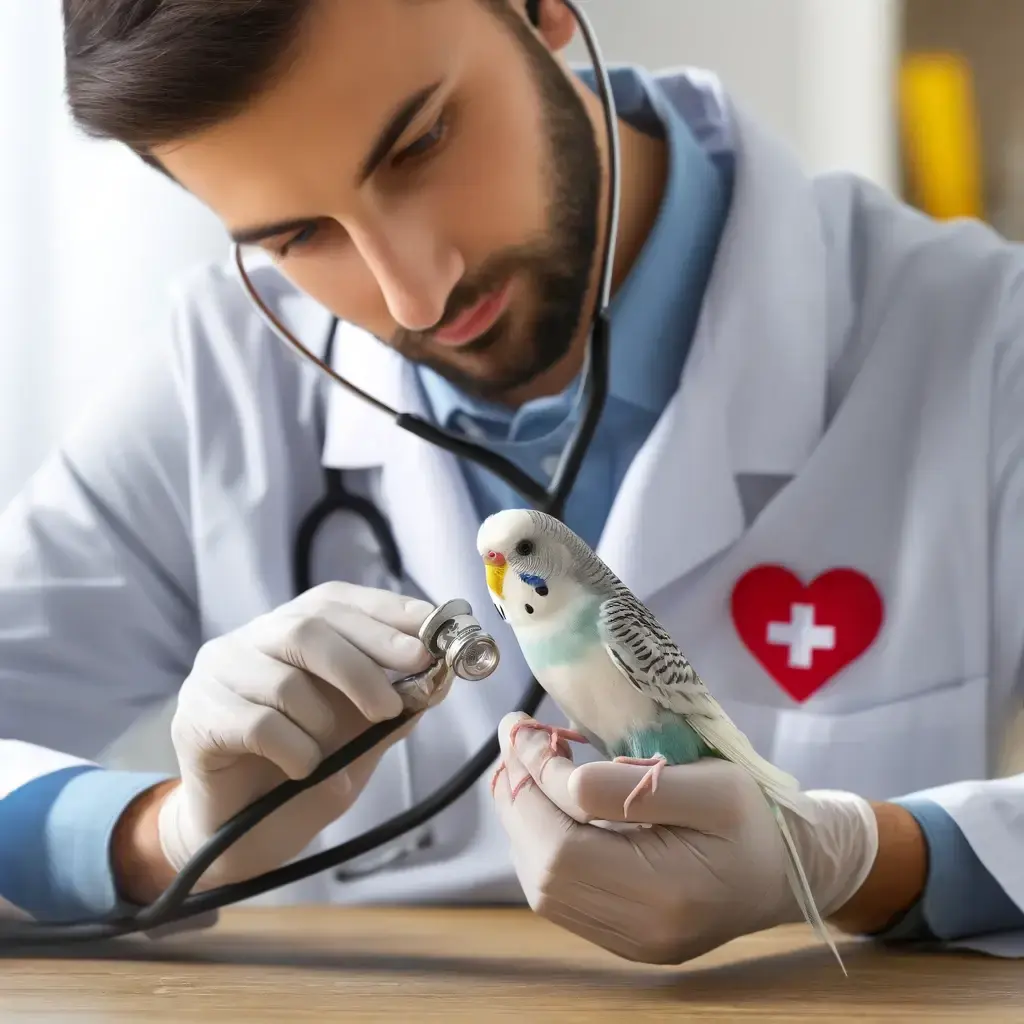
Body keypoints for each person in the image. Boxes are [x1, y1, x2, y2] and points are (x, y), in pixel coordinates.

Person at [0, 0, 1022, 963]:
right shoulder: (211, 382)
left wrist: (871, 857)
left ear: (541, 10)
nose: (417, 287)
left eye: (422, 143)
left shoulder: (983, 343)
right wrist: (164, 833)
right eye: (294, 235)